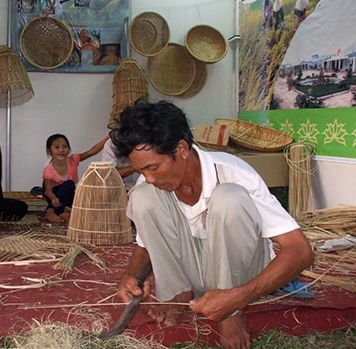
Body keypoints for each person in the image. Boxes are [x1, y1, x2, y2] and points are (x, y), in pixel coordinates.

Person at [110, 101, 314, 349]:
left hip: (244, 272)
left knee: (229, 198)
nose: (149, 177)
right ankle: (178, 292)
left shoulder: (234, 173)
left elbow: (300, 251)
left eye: (153, 167)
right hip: (196, 273)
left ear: (182, 149)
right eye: (142, 169)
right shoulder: (151, 183)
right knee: (141, 196)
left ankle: (230, 314)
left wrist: (239, 298)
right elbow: (146, 244)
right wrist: (131, 275)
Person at [42, 133, 109, 223]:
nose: (61, 150)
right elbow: (48, 190)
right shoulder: (48, 169)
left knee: (84, 198)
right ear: (49, 151)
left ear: (69, 149)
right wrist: (53, 199)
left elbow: (92, 151)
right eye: (57, 147)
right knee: (69, 184)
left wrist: (108, 137)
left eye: (64, 147)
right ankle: (50, 211)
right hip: (54, 197)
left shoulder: (73, 160)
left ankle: (63, 211)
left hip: (69, 195)